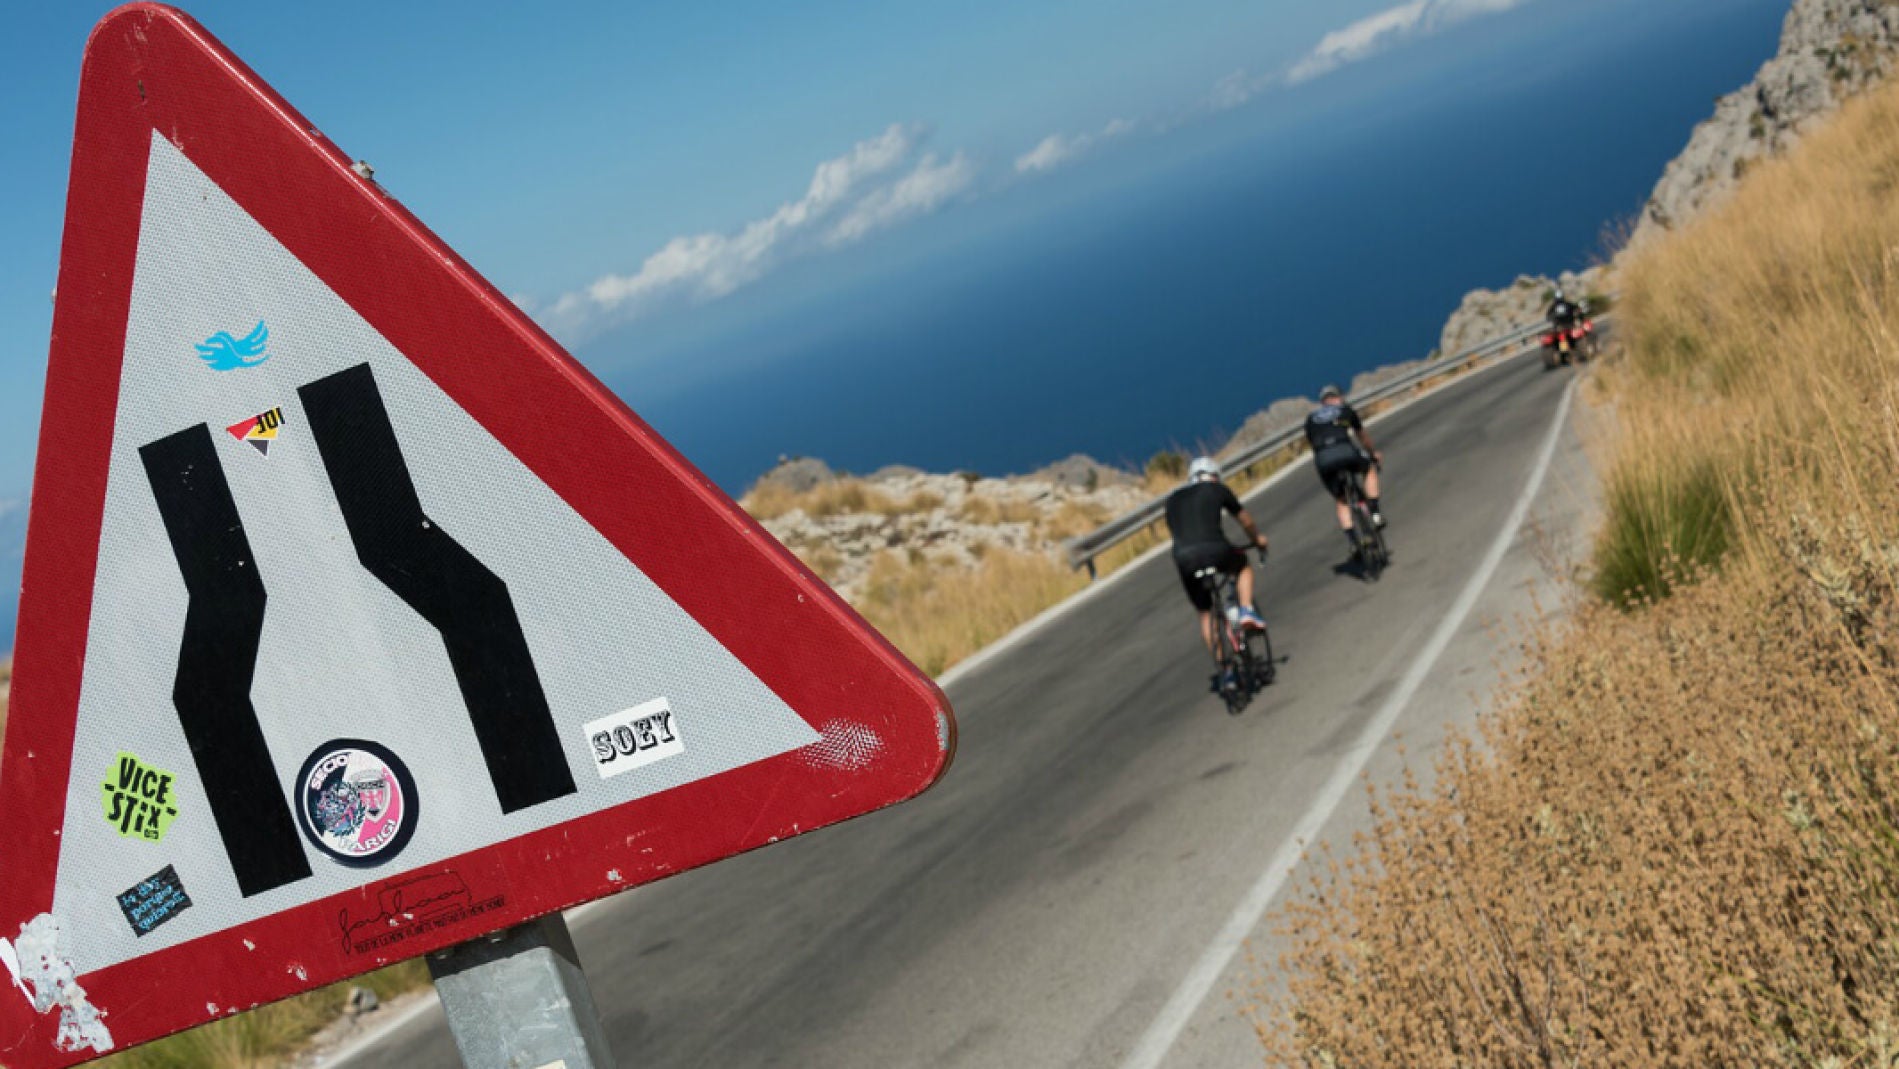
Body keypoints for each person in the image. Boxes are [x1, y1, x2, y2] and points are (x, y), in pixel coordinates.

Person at [1165, 457, 1269, 679]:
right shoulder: (1218, 489)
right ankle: (1247, 610)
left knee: (1205, 612)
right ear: (1214, 476)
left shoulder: (1173, 499)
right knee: (1242, 565)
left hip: (1184, 558)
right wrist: (1258, 539)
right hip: (1215, 549)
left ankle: (1227, 671)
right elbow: (1246, 521)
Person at [1305, 385, 1384, 550]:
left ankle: (1353, 541)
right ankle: (1375, 514)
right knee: (1368, 468)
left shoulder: (1311, 418)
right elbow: (1362, 437)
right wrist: (1373, 454)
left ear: (1323, 402)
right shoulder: (1345, 410)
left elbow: (1313, 444)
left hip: (1323, 458)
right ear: (1339, 398)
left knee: (1341, 499)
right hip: (1345, 450)